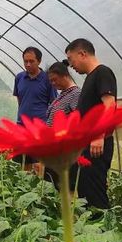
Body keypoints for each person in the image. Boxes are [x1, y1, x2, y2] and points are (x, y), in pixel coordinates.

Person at [65, 38, 117, 209]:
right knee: (86, 190)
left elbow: (109, 105)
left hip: (97, 145)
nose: (71, 65)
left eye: (71, 59)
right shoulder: (90, 78)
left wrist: (98, 135)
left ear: (82, 53)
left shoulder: (102, 73)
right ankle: (92, 232)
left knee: (95, 193)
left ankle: (105, 231)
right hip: (87, 145)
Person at [13, 46, 57, 171]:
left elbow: (54, 103)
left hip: (40, 127)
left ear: (39, 61)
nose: (28, 64)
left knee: (39, 162)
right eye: (25, 61)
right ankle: (25, 186)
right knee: (24, 160)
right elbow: (20, 100)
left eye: (31, 61)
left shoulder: (48, 79)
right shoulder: (19, 78)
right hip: (22, 126)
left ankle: (38, 187)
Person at [44, 59, 81, 191]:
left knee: (63, 187)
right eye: (51, 81)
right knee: (51, 187)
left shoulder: (75, 94)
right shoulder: (62, 95)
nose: (53, 84)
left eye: (55, 80)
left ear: (65, 75)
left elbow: (77, 119)